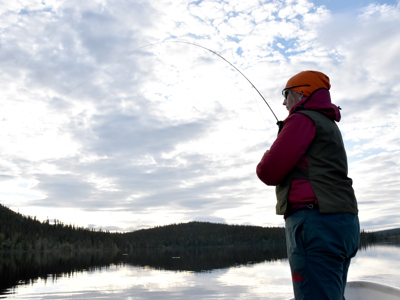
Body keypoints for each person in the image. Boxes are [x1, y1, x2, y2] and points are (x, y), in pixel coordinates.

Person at [256, 71, 359, 300]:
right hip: (345, 222)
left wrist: (266, 155)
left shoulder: (302, 119)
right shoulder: (329, 124)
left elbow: (268, 172)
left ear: (302, 93)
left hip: (315, 224)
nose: (283, 101)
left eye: (286, 94)